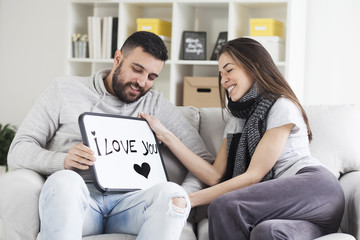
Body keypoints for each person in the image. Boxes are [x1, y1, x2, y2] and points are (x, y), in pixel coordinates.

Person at [8, 31, 214, 240]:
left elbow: (203, 160)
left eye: (151, 77)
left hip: (132, 205)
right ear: (118, 59)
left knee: (171, 192)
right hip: (79, 202)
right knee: (64, 180)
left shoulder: (156, 104)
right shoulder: (64, 89)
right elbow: (18, 150)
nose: (142, 82)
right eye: (137, 69)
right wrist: (62, 160)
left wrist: (185, 196)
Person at [140, 37, 345, 240]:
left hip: (315, 189)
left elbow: (253, 176)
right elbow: (213, 176)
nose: (223, 80)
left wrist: (188, 199)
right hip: (301, 221)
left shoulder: (281, 106)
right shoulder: (236, 122)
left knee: (225, 206)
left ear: (254, 66)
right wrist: (166, 135)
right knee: (266, 233)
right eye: (220, 74)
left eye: (229, 70)